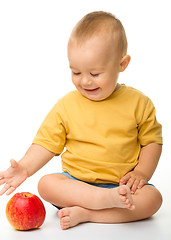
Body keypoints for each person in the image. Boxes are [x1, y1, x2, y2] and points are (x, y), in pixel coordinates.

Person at [0, 11, 163, 230]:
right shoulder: (66, 105)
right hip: (76, 184)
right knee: (47, 184)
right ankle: (102, 201)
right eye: (76, 72)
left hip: (122, 185)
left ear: (122, 64)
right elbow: (46, 143)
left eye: (95, 74)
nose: (85, 81)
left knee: (153, 199)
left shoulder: (139, 103)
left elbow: (152, 141)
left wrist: (142, 173)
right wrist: (25, 168)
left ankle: (88, 213)